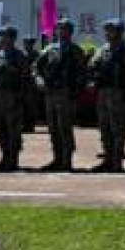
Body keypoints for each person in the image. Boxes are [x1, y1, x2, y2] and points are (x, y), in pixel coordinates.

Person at [34, 18, 86, 172]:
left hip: (66, 94)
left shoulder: (76, 51)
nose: (62, 32)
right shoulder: (49, 49)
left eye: (65, 29)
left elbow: (83, 73)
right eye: (59, 29)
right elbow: (36, 68)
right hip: (50, 93)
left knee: (65, 128)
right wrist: (39, 81)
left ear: (71, 32)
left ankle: (66, 160)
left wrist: (75, 91)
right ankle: (56, 159)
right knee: (53, 128)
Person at [88, 18, 125, 173]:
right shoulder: (102, 49)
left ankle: (117, 161)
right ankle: (107, 159)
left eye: (112, 30)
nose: (109, 33)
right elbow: (93, 66)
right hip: (103, 92)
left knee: (118, 128)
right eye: (107, 30)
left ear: (120, 32)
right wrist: (92, 79)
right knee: (104, 127)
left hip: (119, 92)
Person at [0, 26, 31, 172]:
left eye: (5, 36)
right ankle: (4, 157)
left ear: (12, 38)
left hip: (12, 95)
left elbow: (25, 78)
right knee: (0, 129)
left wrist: (20, 97)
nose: (1, 39)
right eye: (1, 36)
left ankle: (13, 160)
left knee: (13, 129)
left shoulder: (19, 55)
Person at [21, 37, 41, 134]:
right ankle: (24, 124)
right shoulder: (22, 54)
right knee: (23, 105)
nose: (26, 45)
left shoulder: (36, 54)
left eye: (28, 43)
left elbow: (36, 67)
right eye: (25, 43)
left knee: (30, 105)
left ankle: (30, 125)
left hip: (30, 82)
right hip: (22, 82)